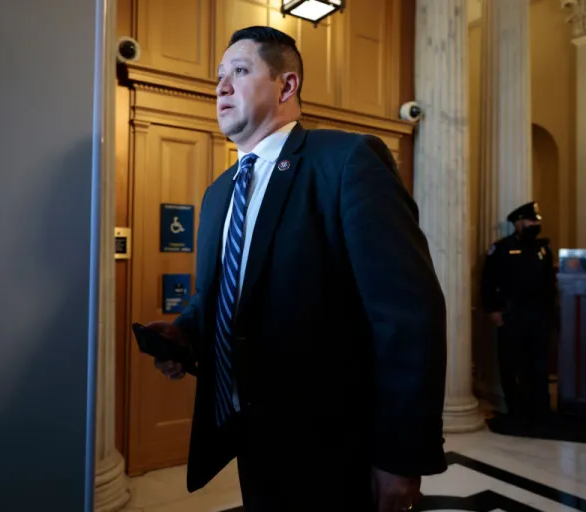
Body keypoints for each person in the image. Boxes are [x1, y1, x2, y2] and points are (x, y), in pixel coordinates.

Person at [144, 26, 448, 511]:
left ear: (287, 86)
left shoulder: (348, 161)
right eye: (219, 76)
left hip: (335, 447)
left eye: (239, 72)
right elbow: (224, 294)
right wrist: (186, 331)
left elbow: (408, 316)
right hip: (252, 436)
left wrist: (401, 458)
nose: (220, 87)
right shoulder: (220, 191)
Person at [481, 201, 557, 423]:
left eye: (536, 220)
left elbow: (549, 284)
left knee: (538, 362)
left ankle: (540, 409)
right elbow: (488, 282)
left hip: (539, 315)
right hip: (512, 314)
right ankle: (516, 408)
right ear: (519, 222)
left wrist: (551, 312)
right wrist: (493, 309)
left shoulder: (543, 249)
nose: (535, 224)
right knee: (511, 362)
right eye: (531, 220)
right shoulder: (502, 248)